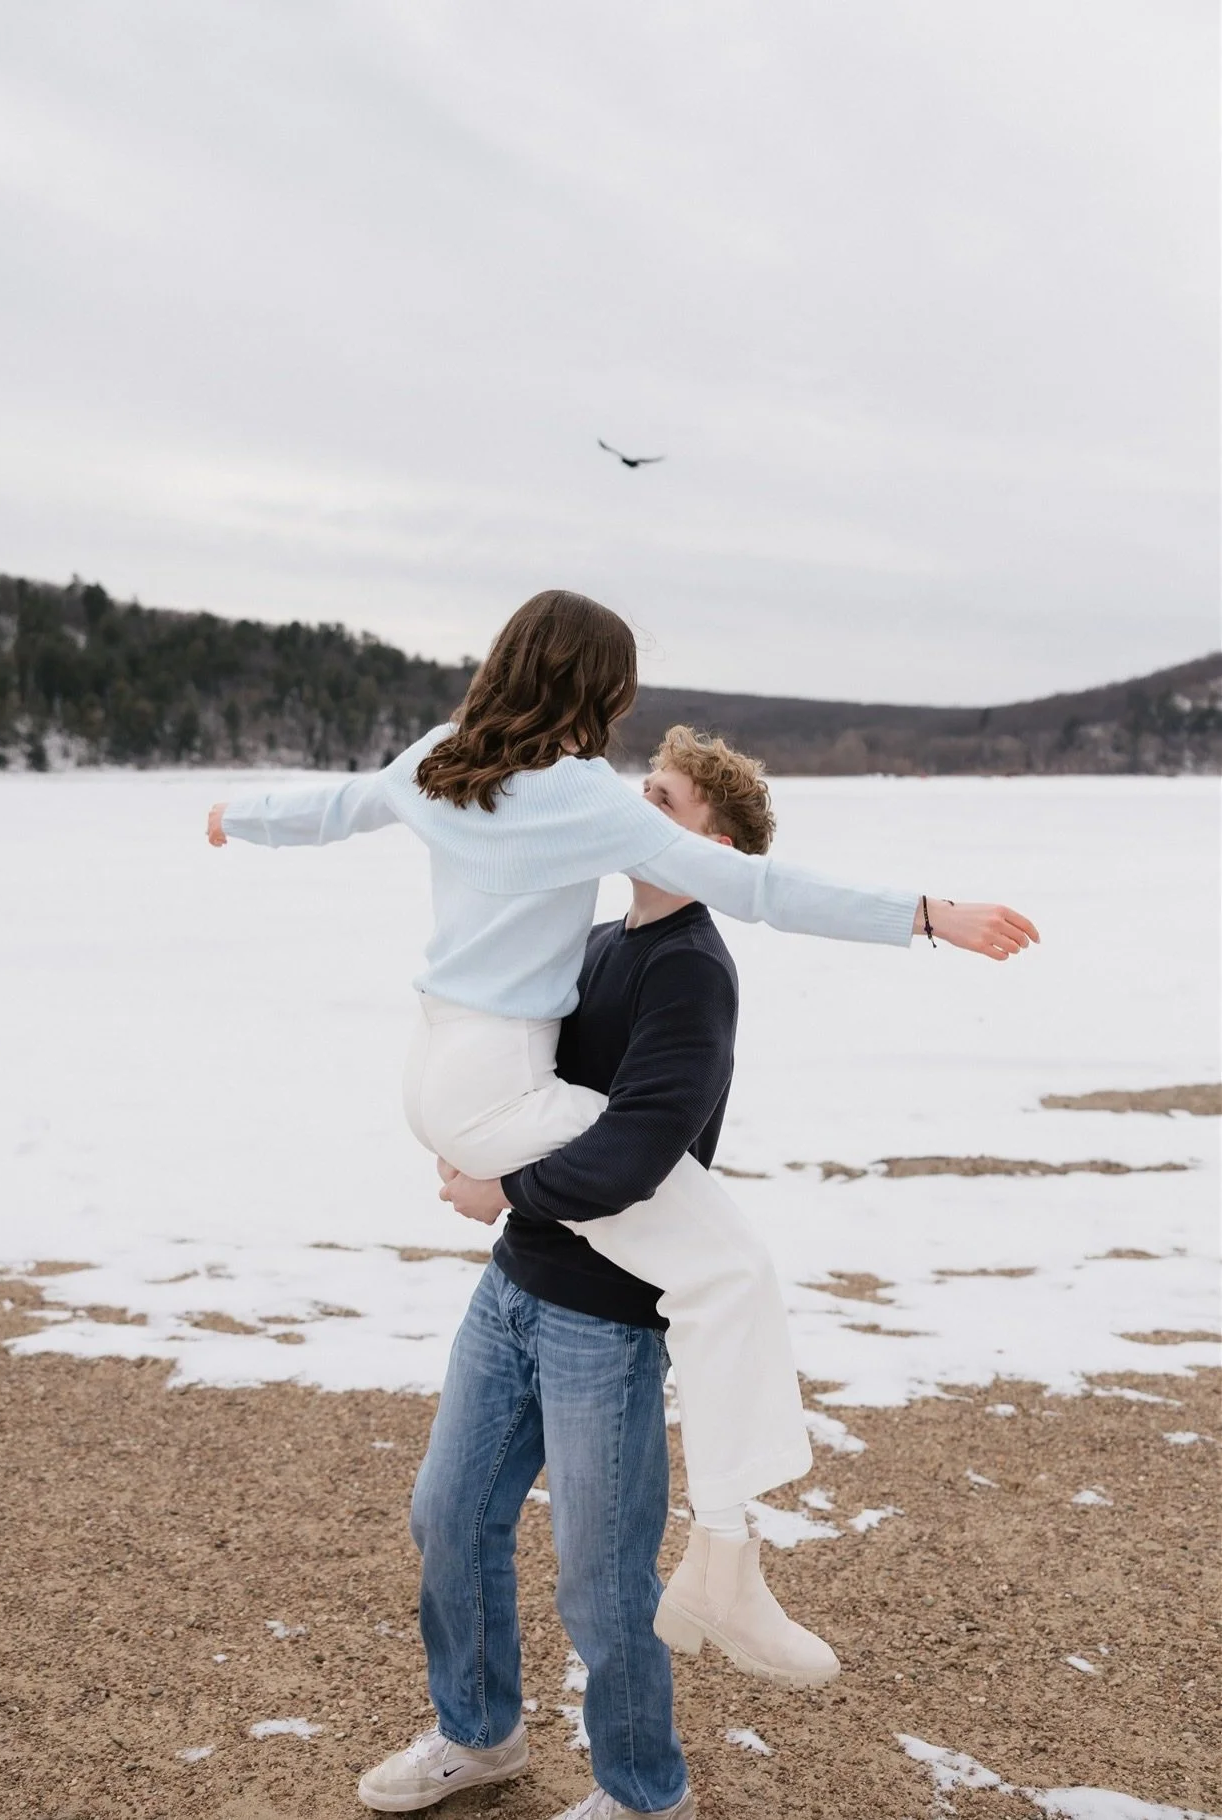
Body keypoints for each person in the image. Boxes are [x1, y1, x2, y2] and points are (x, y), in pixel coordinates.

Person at [208, 589, 1037, 1680]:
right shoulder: (585, 801)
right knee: (732, 1267)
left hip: (438, 1065)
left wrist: (238, 814)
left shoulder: (441, 758)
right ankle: (725, 1567)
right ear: (597, 689)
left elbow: (338, 806)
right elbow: (761, 885)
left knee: (719, 1268)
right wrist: (926, 911)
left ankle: (722, 1564)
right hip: (500, 1083)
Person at [356, 725, 830, 1819]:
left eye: (663, 801)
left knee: (604, 1581)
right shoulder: (602, 941)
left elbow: (640, 1145)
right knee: (449, 1512)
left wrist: (505, 1189)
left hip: (606, 1317)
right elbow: (523, 1082)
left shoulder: (694, 971)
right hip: (514, 1286)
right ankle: (479, 1732)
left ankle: (643, 1790)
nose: (636, 806)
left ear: (715, 841)